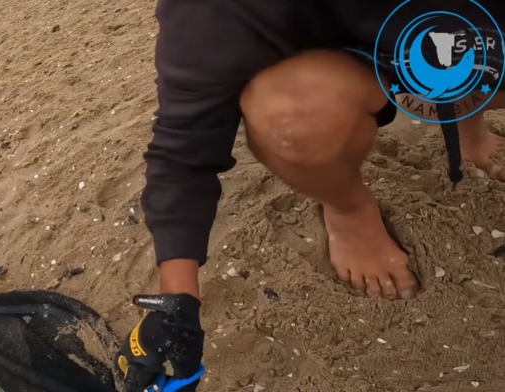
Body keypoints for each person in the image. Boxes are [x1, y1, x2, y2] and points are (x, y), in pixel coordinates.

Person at [116, 0, 505, 390]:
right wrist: (176, 306)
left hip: (478, 32)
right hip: (355, 59)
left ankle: (471, 124)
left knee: (457, 34)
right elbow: (184, 150)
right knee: (291, 116)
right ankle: (349, 212)